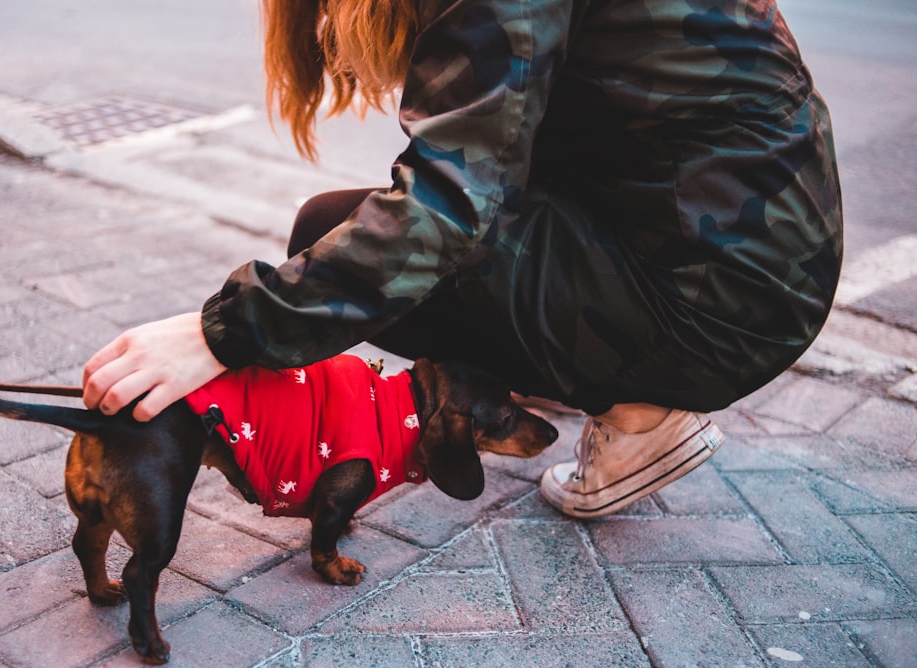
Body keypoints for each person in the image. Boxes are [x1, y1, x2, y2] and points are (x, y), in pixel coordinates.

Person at [83, 0, 843, 518]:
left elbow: (448, 204)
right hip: (741, 243)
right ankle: (595, 370)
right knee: (336, 230)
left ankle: (640, 407)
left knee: (361, 242)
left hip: (719, 300)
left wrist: (219, 333)